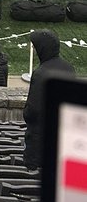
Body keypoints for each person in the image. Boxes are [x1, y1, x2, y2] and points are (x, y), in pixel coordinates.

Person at [23, 30, 76, 170]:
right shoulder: (69, 68)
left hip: (39, 139)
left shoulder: (41, 73)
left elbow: (33, 110)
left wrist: (26, 114)